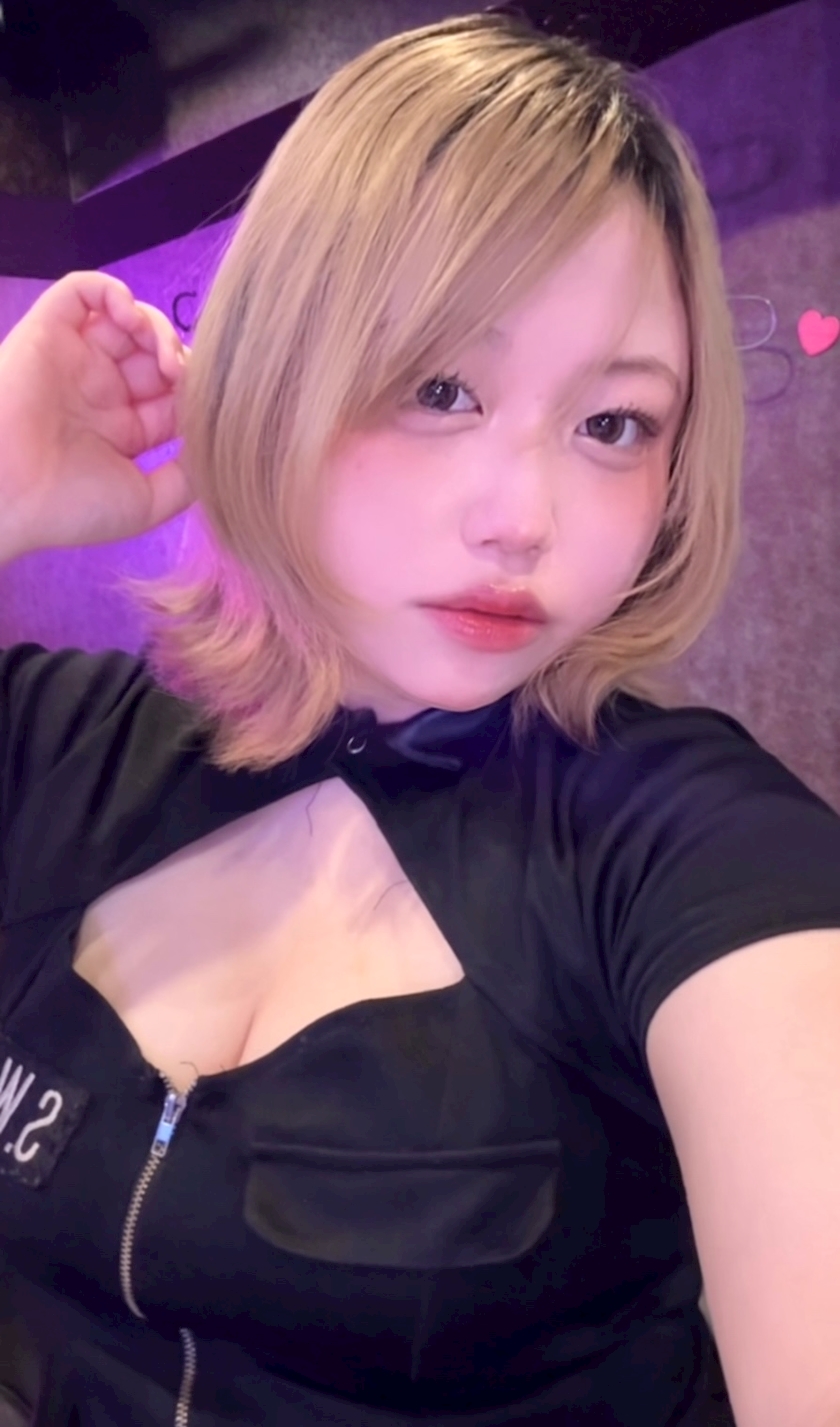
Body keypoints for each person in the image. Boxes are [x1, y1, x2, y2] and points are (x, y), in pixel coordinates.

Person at [0, 11, 838, 1427]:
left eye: (614, 425)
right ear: (276, 370)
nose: (525, 519)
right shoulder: (56, 742)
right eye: (440, 389)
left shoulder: (685, 845)